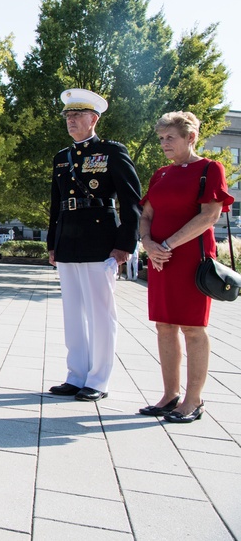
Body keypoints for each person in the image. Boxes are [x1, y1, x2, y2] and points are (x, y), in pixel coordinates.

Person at [138, 111, 233, 423]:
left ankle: (193, 400)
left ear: (190, 138)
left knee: (193, 328)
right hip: (160, 259)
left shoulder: (209, 169)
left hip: (190, 259)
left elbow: (209, 216)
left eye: (171, 138)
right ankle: (169, 396)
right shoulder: (161, 174)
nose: (165, 143)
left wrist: (167, 245)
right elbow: (146, 215)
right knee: (164, 326)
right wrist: (149, 244)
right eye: (162, 138)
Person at [47, 88, 141, 402]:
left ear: (93, 119)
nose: (70, 121)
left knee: (101, 313)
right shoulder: (62, 157)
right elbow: (56, 204)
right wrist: (52, 243)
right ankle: (76, 375)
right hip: (68, 241)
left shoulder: (111, 151)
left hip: (101, 240)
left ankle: (98, 379)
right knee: (72, 312)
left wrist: (125, 244)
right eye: (68, 116)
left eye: (77, 116)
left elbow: (131, 202)